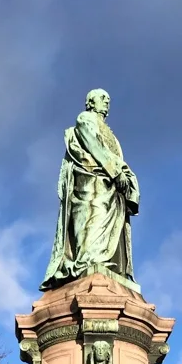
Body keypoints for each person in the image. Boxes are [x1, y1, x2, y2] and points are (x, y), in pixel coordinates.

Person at [41, 89, 140, 290]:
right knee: (92, 219)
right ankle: (88, 262)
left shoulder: (111, 133)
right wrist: (114, 172)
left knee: (108, 227)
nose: (106, 101)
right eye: (101, 98)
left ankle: (104, 264)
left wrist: (123, 177)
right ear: (90, 102)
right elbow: (93, 145)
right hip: (92, 181)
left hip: (112, 187)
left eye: (108, 99)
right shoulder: (85, 118)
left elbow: (117, 158)